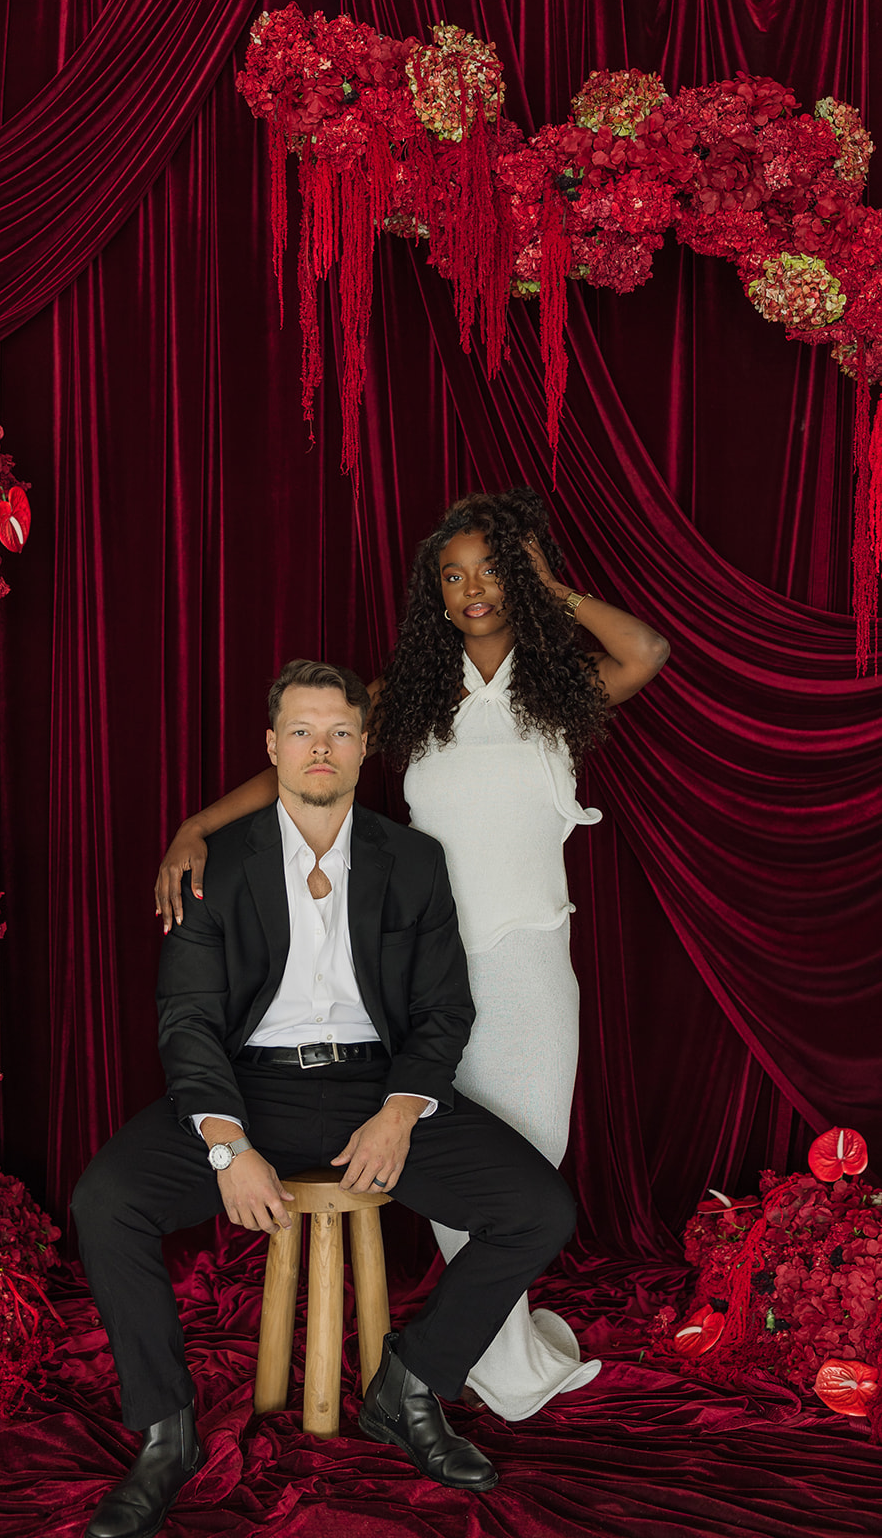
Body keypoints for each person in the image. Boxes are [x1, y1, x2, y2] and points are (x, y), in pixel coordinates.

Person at [155, 489, 669, 1423]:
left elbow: (648, 652)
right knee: (439, 1151)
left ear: (518, 578)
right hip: (416, 961)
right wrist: (195, 826)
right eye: (453, 575)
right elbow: (299, 762)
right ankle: (483, 1355)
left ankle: (488, 1349)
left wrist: (550, 587)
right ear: (435, 593)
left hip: (525, 952)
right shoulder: (412, 699)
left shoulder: (558, 689)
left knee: (524, 1161)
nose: (472, 588)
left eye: (491, 571)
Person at [74, 659, 578, 1538]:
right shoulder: (215, 865)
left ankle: (409, 1387)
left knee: (537, 1208)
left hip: (373, 1088)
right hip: (250, 1088)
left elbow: (442, 1009)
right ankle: (167, 1432)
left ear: (361, 747)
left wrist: (399, 1110)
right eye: (302, 732)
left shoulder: (412, 861)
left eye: (339, 733)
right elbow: (186, 1019)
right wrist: (228, 1147)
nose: (321, 748)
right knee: (105, 1201)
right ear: (272, 746)